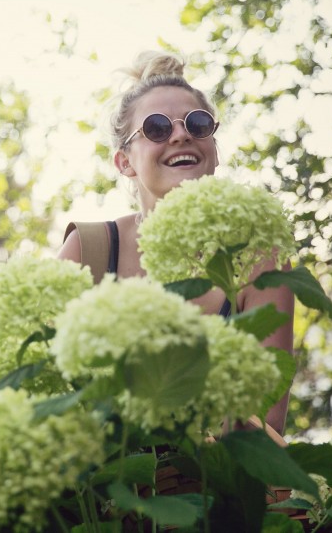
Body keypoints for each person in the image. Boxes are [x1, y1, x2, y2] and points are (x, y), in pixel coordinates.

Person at [57, 50, 294, 435]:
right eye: (156, 128)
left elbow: (265, 421)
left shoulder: (260, 256)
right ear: (124, 162)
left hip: (218, 490)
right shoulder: (89, 251)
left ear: (213, 148)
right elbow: (47, 396)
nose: (180, 134)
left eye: (198, 124)